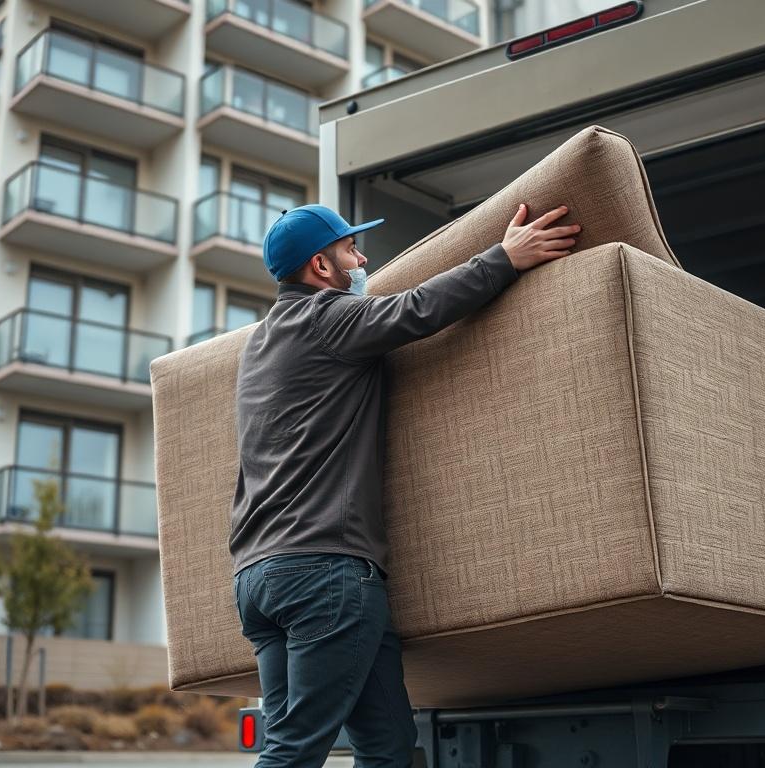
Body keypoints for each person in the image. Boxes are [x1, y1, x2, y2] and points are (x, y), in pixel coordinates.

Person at [229, 201, 581, 767]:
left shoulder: (260, 346)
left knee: (387, 745)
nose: (362, 259)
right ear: (321, 267)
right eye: (350, 250)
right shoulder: (326, 317)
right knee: (294, 751)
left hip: (260, 580)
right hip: (324, 574)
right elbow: (418, 309)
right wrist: (505, 259)